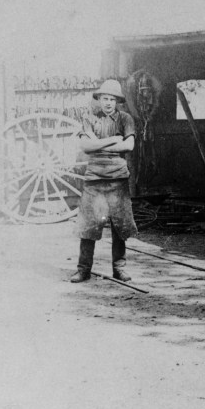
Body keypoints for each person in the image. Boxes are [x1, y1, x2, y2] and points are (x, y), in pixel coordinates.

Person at [70, 79, 139, 283]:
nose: (108, 102)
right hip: (94, 178)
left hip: (118, 177)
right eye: (104, 98)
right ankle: (83, 269)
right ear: (99, 99)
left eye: (112, 99)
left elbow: (130, 146)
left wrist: (98, 144)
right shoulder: (89, 118)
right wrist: (113, 140)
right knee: (88, 225)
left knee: (120, 225)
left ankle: (119, 268)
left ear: (118, 101)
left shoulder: (126, 119)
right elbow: (86, 146)